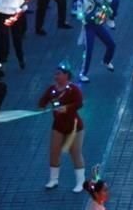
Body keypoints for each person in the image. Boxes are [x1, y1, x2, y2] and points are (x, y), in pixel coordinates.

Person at [38, 64, 86, 192]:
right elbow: (42, 101)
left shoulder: (73, 89)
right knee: (54, 151)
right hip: (58, 126)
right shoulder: (52, 89)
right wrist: (41, 107)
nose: (56, 76)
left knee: (75, 153)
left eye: (59, 74)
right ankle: (54, 179)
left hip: (74, 126)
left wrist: (67, 108)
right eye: (56, 74)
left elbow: (79, 103)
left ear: (66, 75)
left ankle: (81, 182)